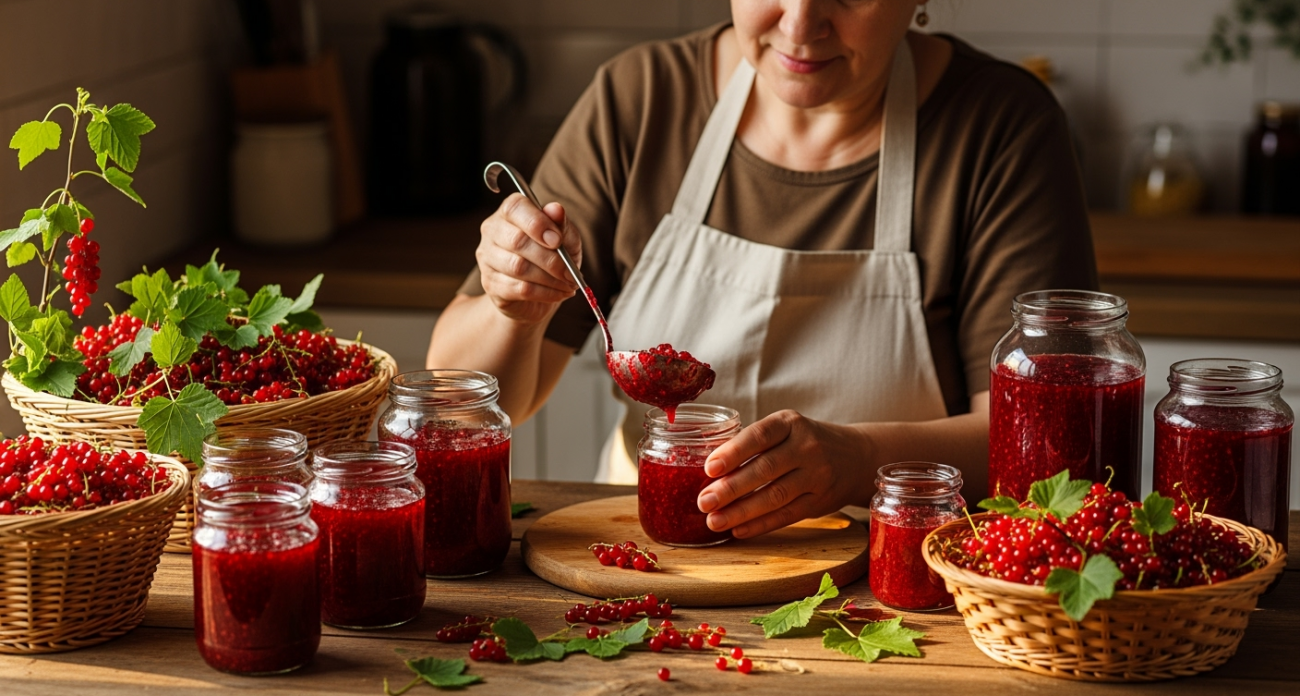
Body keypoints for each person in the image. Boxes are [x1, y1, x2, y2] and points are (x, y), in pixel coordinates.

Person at [427, 0, 1097, 539]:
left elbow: (1046, 448)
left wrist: (858, 463)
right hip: (648, 565)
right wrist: (513, 311)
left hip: (899, 590)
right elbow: (460, 407)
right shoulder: (641, 99)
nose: (801, 24)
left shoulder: (1002, 130)